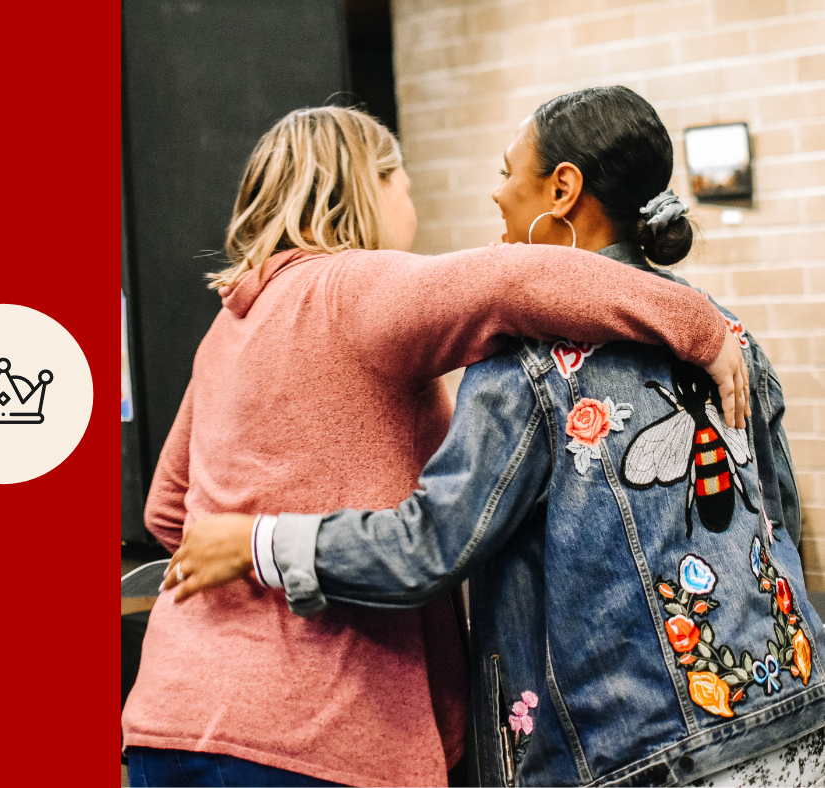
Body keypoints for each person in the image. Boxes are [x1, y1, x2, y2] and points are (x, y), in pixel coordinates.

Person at [168, 89, 825, 786]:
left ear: (562, 189)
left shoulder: (524, 363)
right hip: (796, 712)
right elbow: (780, 519)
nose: (495, 193)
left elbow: (431, 547)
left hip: (634, 754)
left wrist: (264, 541)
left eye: (509, 172)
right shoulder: (727, 335)